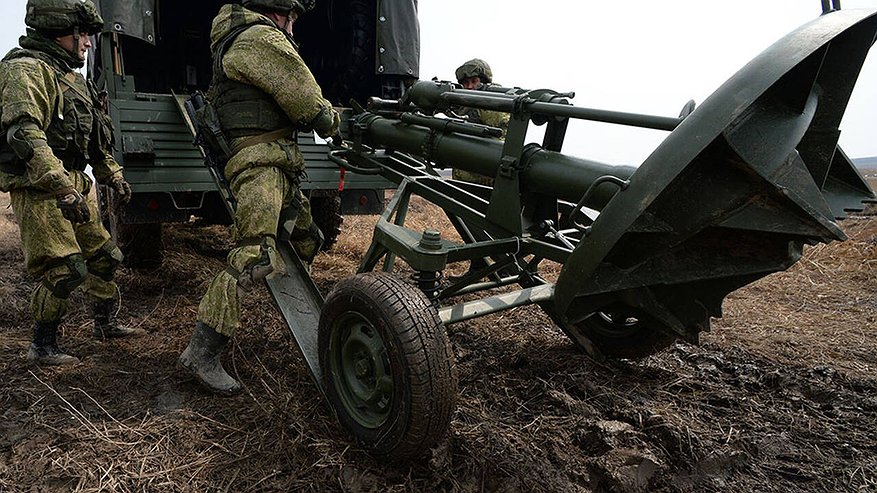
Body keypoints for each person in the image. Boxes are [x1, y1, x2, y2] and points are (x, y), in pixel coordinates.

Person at [178, 0, 339, 394]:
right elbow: (305, 98)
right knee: (254, 255)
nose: (294, 28)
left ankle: (298, 316)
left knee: (306, 239)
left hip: (278, 163)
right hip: (260, 166)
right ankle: (200, 354)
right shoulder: (260, 37)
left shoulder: (238, 39)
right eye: (293, 18)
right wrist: (331, 120)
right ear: (278, 13)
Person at [0, 0, 144, 366]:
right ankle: (42, 345)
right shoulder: (25, 71)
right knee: (65, 269)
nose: (89, 44)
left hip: (75, 184)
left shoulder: (72, 78)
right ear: (57, 32)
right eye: (83, 36)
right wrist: (61, 186)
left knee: (104, 257)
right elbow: (25, 135)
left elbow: (93, 137)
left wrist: (111, 171)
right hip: (41, 188)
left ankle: (104, 325)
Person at [452, 58, 510, 185]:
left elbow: (504, 138)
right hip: (466, 179)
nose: (470, 87)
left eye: (474, 82)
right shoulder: (464, 104)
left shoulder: (490, 103)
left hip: (483, 180)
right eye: (466, 83)